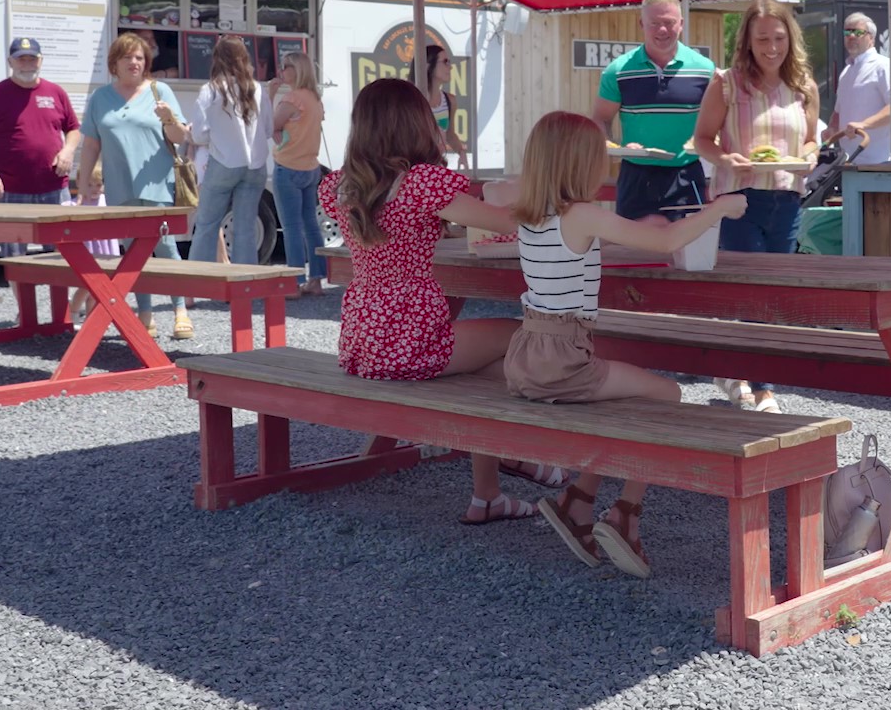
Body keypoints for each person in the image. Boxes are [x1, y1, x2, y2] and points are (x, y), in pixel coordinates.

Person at [509, 110, 748, 577]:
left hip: (529, 354)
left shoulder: (530, 214)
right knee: (669, 395)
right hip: (562, 362)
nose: (606, 165)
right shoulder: (582, 214)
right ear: (577, 163)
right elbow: (665, 243)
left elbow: (580, 253)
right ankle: (625, 511)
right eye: (599, 156)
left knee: (624, 403)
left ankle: (578, 500)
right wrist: (717, 208)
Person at [320, 78, 561, 524]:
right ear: (414, 124)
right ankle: (510, 458)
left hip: (362, 339)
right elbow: (504, 220)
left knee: (489, 368)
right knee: (519, 335)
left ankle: (488, 494)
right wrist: (548, 187)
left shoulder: (338, 185)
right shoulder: (422, 183)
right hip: (409, 339)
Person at [693, 0, 818, 414]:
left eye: (779, 38)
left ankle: (736, 371)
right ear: (746, 39)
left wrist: (813, 154)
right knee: (750, 293)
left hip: (788, 197)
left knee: (774, 294)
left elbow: (810, 141)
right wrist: (724, 159)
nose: (771, 47)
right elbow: (702, 140)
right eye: (762, 38)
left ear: (790, 39)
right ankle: (761, 386)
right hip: (738, 201)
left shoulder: (804, 86)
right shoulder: (726, 83)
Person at [79, 32, 195, 341]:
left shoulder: (160, 91)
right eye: (128, 57)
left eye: (140, 58)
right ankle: (146, 313)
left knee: (167, 249)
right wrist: (83, 179)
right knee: (133, 254)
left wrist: (170, 118)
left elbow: (180, 137)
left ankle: (180, 309)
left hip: (158, 185)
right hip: (120, 189)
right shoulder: (101, 98)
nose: (134, 62)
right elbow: (91, 144)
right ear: (114, 62)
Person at [593, 0, 715, 219]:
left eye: (668, 23)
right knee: (633, 249)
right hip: (635, 174)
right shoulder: (618, 71)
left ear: (681, 24)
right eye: (654, 23)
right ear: (641, 24)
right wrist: (612, 146)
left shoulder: (705, 70)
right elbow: (600, 119)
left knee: (686, 250)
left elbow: (718, 121)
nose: (661, 30)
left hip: (686, 173)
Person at [0, 37, 81, 256]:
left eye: (32, 59)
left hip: (54, 188)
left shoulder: (56, 92)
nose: (27, 64)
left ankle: (59, 292)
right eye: (21, 59)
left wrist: (68, 151)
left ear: (41, 61)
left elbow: (73, 129)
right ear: (10, 62)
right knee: (13, 259)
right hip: (11, 190)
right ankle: (20, 292)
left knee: (63, 256)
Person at [188, 37, 270, 267]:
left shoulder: (211, 90)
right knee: (245, 227)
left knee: (207, 224)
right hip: (256, 165)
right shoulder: (257, 89)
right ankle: (245, 286)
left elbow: (199, 135)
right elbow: (269, 128)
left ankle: (197, 285)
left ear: (217, 58)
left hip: (223, 162)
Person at [269, 51, 328, 294]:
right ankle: (316, 279)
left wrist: (271, 95)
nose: (281, 71)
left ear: (296, 70)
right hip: (310, 167)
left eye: (285, 67)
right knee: (311, 225)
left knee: (291, 227)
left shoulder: (291, 99)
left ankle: (294, 282)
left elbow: (272, 125)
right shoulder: (315, 98)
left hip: (288, 167)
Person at [824, 13, 891, 164]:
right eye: (847, 32)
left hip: (881, 162)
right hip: (849, 161)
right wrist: (831, 129)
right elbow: (839, 112)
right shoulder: (846, 72)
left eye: (858, 32)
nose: (851, 36)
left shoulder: (884, 66)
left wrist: (864, 125)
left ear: (871, 38)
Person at [65, 165, 123, 325]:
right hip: (88, 250)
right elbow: (65, 211)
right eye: (89, 185)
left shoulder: (107, 201)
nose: (94, 189)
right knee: (87, 286)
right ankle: (73, 311)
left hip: (106, 249)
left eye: (98, 184)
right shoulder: (77, 203)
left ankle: (92, 322)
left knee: (99, 290)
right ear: (79, 183)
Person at [422, 44, 467, 158]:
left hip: (438, 167)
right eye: (445, 61)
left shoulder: (449, 101)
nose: (450, 67)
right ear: (428, 65)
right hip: (415, 169)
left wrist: (461, 152)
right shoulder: (412, 100)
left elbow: (450, 135)